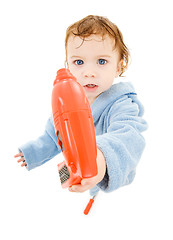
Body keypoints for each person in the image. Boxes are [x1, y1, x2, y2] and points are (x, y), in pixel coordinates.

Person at [14, 15, 148, 196]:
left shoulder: (122, 104)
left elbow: (129, 135)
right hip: (84, 177)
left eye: (102, 61)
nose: (89, 73)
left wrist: (99, 158)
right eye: (79, 62)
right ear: (68, 66)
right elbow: (56, 135)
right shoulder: (69, 102)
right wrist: (32, 153)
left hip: (115, 179)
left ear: (118, 67)